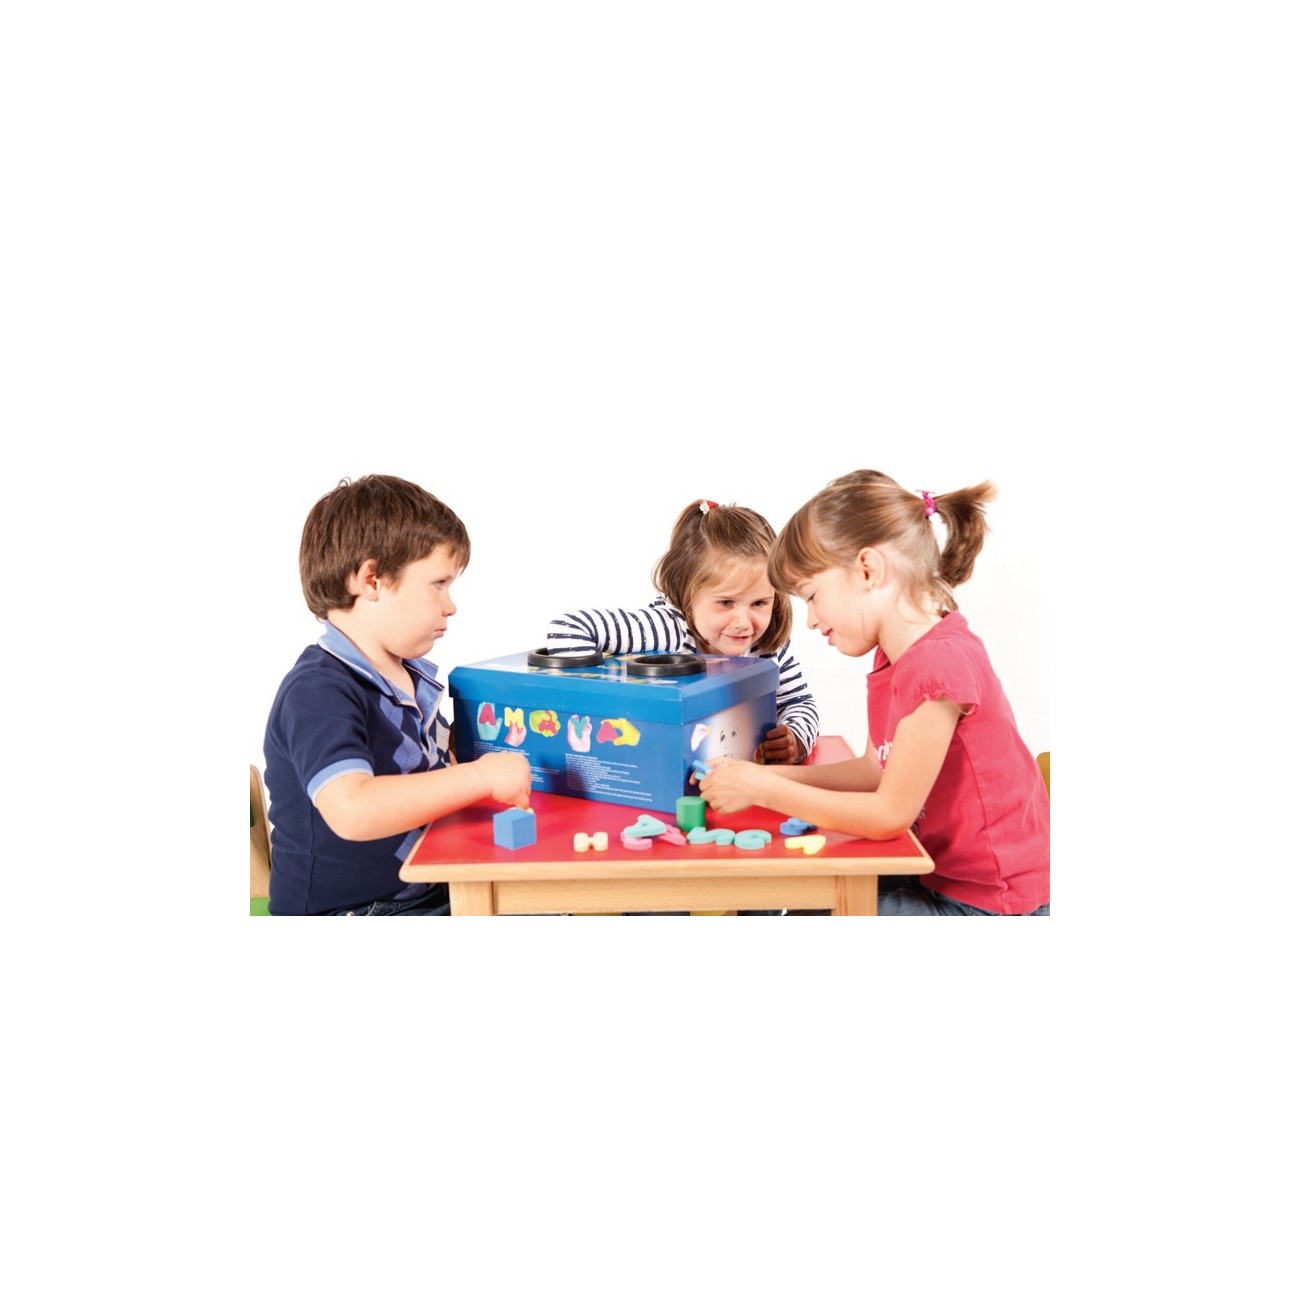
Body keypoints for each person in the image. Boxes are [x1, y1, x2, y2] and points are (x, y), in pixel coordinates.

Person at [697, 470, 1049, 916]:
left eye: (812, 596)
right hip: (936, 872)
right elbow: (872, 770)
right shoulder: (895, 655)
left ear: (868, 570)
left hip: (990, 902)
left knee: (811, 905)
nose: (811, 620)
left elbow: (888, 815)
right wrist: (762, 777)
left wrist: (764, 789)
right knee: (802, 891)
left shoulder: (936, 664)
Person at [263, 475, 532, 915]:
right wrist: (481, 777)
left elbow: (425, 775)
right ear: (372, 580)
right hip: (355, 912)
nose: (450, 605)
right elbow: (353, 808)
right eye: (438, 583)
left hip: (429, 889)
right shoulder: (317, 690)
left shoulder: (406, 677)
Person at [546, 500, 820, 764]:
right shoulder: (665, 629)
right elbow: (569, 628)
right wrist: (603, 706)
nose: (744, 622)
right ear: (686, 594)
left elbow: (798, 702)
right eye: (726, 602)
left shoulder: (768, 644)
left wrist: (795, 739)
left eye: (759, 603)